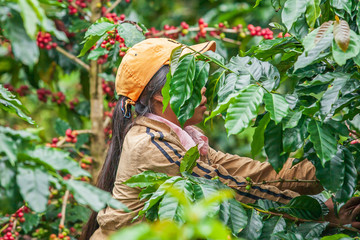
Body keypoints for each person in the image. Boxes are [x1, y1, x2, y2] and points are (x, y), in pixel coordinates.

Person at [81, 38, 360, 240]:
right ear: (159, 94)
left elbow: (256, 174)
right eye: (189, 79)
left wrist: (337, 163)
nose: (203, 88)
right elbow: (232, 189)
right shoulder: (153, 145)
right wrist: (322, 210)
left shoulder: (182, 140)